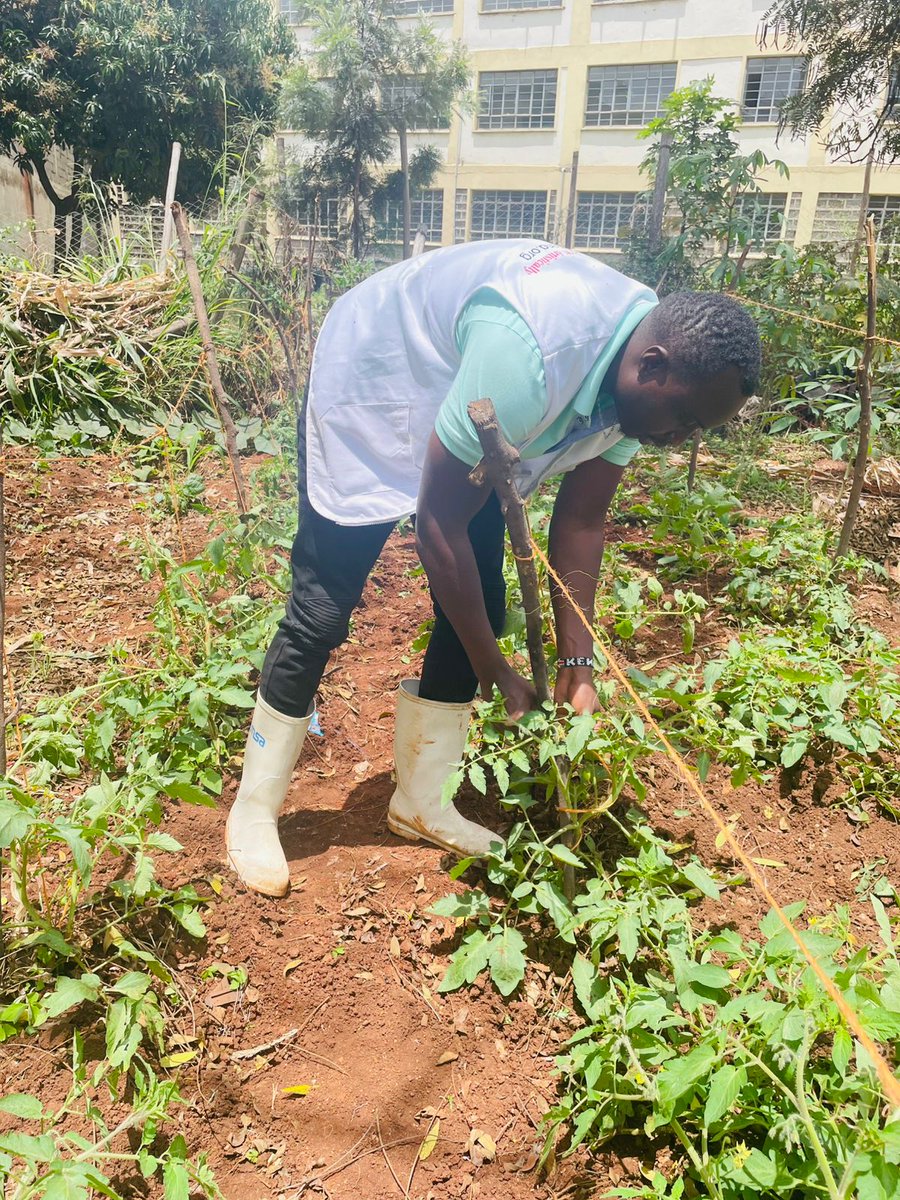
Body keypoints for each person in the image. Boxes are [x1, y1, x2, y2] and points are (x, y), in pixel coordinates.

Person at [226, 238, 761, 897]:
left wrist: (578, 665)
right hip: (382, 372)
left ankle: (421, 801)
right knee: (324, 604)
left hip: (468, 399)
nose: (681, 438)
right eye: (683, 418)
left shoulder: (644, 377)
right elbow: (437, 526)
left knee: (480, 592)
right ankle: (254, 808)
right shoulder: (533, 355)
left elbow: (582, 520)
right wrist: (497, 673)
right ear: (652, 365)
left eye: (697, 427)